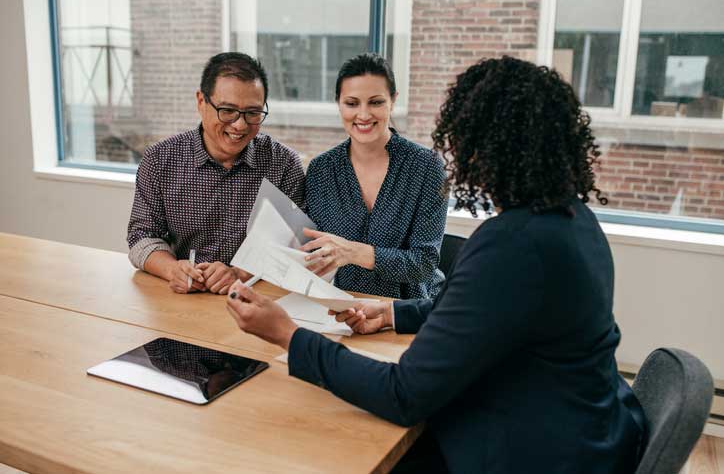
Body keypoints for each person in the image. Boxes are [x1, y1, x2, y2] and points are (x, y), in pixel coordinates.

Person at [225, 56, 646, 474]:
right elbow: (487, 312)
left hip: (541, 452)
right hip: (590, 428)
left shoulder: (512, 244)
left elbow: (403, 394)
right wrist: (393, 312)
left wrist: (287, 335)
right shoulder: (571, 220)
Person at [127, 52, 305, 295]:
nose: (240, 125)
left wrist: (239, 272)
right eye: (227, 110)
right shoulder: (159, 160)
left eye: (253, 113)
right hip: (181, 301)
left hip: (257, 301)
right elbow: (141, 236)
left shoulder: (284, 164)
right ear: (201, 101)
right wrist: (173, 270)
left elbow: (293, 246)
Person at [302, 53, 446, 299]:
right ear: (338, 103)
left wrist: (354, 252)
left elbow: (424, 264)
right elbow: (312, 253)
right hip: (341, 307)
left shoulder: (427, 167)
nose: (364, 114)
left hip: (406, 312)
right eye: (352, 103)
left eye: (376, 102)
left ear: (393, 101)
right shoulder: (321, 170)